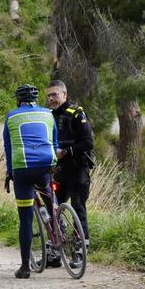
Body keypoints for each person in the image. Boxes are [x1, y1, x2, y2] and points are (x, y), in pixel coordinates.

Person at [3, 83, 57, 279]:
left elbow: (8, 148)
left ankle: (25, 267)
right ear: (36, 100)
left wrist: (10, 173)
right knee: (49, 197)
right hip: (46, 165)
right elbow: (55, 141)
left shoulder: (11, 116)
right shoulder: (48, 114)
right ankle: (59, 227)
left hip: (23, 169)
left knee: (25, 219)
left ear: (19, 100)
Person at [45, 79, 94, 245]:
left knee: (78, 208)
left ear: (64, 95)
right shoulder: (48, 115)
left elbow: (88, 143)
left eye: (54, 94)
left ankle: (81, 247)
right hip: (59, 172)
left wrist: (65, 152)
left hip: (78, 170)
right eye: (49, 96)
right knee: (52, 208)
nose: (51, 99)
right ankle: (55, 245)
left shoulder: (76, 114)